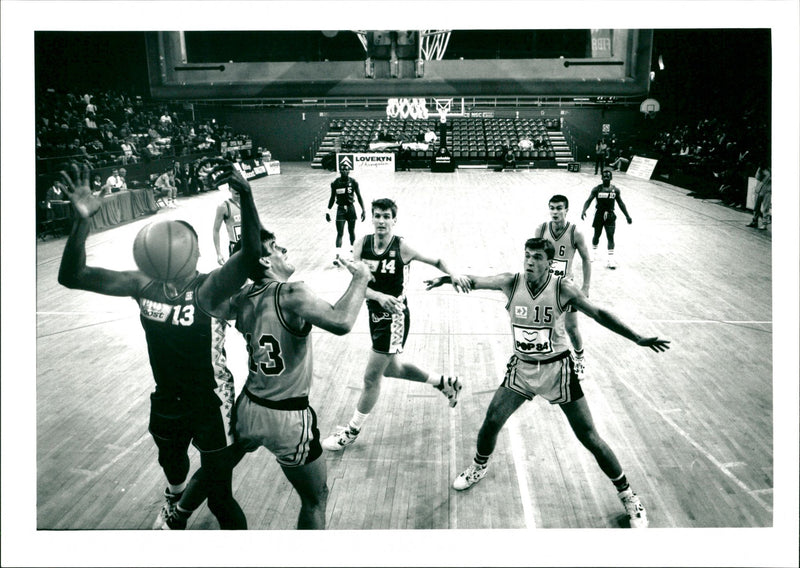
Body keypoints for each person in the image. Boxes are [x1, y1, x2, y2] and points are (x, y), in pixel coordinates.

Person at [57, 158, 261, 531]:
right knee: (172, 463)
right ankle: (174, 493)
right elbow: (72, 276)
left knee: (220, 496)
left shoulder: (209, 288)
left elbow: (249, 257)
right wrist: (82, 221)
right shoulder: (141, 284)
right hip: (166, 397)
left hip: (211, 401)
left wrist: (246, 197)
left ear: (195, 253)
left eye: (185, 244)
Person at [425, 237, 669, 528]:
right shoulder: (509, 282)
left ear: (549, 262)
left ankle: (629, 495)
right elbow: (473, 281)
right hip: (522, 370)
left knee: (589, 437)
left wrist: (638, 338)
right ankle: (479, 466)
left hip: (557, 372)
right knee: (491, 421)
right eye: (527, 256)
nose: (530, 262)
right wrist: (444, 278)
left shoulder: (563, 289)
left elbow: (599, 314)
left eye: (537, 257)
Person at [160, 230, 374, 530]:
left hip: (248, 408)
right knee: (315, 498)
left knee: (215, 468)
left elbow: (207, 306)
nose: (283, 249)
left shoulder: (241, 299)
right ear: (262, 259)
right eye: (275, 247)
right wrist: (362, 277)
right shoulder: (292, 293)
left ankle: (176, 516)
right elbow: (341, 321)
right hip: (287, 417)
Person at [321, 198, 471, 451]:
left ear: (394, 220)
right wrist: (376, 295)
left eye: (386, 216)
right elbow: (357, 285)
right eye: (377, 216)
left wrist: (453, 274)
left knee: (371, 378)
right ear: (372, 218)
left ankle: (352, 430)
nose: (381, 220)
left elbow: (437, 260)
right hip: (374, 312)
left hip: (395, 317)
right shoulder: (361, 244)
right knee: (391, 369)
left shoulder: (402, 247)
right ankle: (444, 382)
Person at [535, 195, 591, 379]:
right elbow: (534, 256)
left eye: (559, 208)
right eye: (552, 208)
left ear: (567, 210)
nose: (555, 212)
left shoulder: (575, 232)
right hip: (545, 287)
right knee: (543, 326)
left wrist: (586, 287)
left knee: (571, 328)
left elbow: (585, 259)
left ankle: (580, 359)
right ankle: (545, 362)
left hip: (566, 288)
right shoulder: (541, 229)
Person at [581, 169, 632, 269]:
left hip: (610, 215)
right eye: (604, 176)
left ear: (611, 178)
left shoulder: (615, 190)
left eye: (608, 176)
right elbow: (588, 201)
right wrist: (584, 210)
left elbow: (621, 203)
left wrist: (627, 216)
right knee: (597, 235)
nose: (606, 178)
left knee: (610, 236)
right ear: (601, 178)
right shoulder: (597, 189)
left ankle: (610, 259)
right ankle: (594, 253)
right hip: (599, 214)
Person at [326, 163, 365, 266]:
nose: (344, 171)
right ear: (340, 171)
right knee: (340, 233)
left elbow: (359, 196)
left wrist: (363, 210)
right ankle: (337, 257)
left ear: (349, 171)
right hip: (340, 210)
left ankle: (353, 255)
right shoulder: (335, 183)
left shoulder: (353, 182)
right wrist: (328, 211)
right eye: (342, 170)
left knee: (351, 232)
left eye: (346, 170)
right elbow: (332, 198)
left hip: (351, 209)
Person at [213, 190, 242, 265]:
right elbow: (216, 230)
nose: (237, 189)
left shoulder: (250, 202)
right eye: (234, 186)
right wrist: (218, 253)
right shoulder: (224, 206)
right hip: (236, 248)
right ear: (230, 188)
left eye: (238, 185)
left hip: (251, 245)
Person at [747, 163, 771, 230]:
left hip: (767, 190)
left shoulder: (770, 170)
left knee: (766, 208)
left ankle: (764, 223)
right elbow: (756, 177)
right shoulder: (760, 169)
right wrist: (760, 171)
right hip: (759, 189)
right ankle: (754, 221)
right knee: (756, 206)